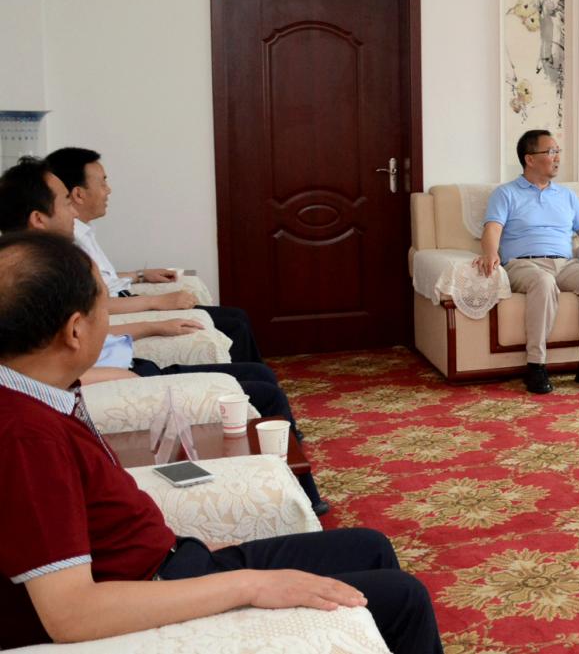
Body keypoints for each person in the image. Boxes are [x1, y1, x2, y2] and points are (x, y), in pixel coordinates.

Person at [0, 231, 443, 653]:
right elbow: (71, 614)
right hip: (152, 590)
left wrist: (182, 546)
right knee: (402, 598)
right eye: (104, 306)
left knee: (369, 547)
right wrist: (250, 584)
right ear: (75, 331)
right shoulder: (25, 437)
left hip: (170, 561)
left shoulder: (41, 393)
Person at [0, 158, 328, 514]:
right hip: (121, 373)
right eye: (66, 200)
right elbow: (53, 363)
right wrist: (140, 344)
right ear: (38, 218)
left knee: (255, 369)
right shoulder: (37, 283)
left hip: (124, 364)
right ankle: (300, 497)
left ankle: (291, 475)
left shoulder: (48, 264)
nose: (75, 209)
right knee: (261, 384)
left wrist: (148, 311)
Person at [46, 147, 266, 364]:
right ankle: (246, 381)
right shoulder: (69, 241)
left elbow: (102, 279)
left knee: (237, 317)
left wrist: (141, 275)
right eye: (103, 183)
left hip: (124, 299)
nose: (109, 190)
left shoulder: (83, 231)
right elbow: (94, 302)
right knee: (235, 324)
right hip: (117, 310)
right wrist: (158, 301)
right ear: (78, 194)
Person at [473, 129, 579, 395]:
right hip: (523, 265)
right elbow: (492, 228)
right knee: (543, 281)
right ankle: (536, 365)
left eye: (557, 151)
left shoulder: (566, 196)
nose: (557, 157)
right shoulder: (506, 193)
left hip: (565, 264)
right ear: (529, 159)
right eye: (551, 152)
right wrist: (491, 252)